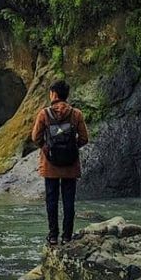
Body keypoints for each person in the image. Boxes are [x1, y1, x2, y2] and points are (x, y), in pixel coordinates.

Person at [31, 79, 89, 246]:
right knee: (69, 201)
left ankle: (53, 236)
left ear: (54, 94)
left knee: (51, 200)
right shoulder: (76, 114)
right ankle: (67, 236)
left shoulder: (44, 114)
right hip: (70, 166)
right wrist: (71, 148)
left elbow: (35, 137)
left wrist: (46, 148)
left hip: (50, 166)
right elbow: (84, 138)